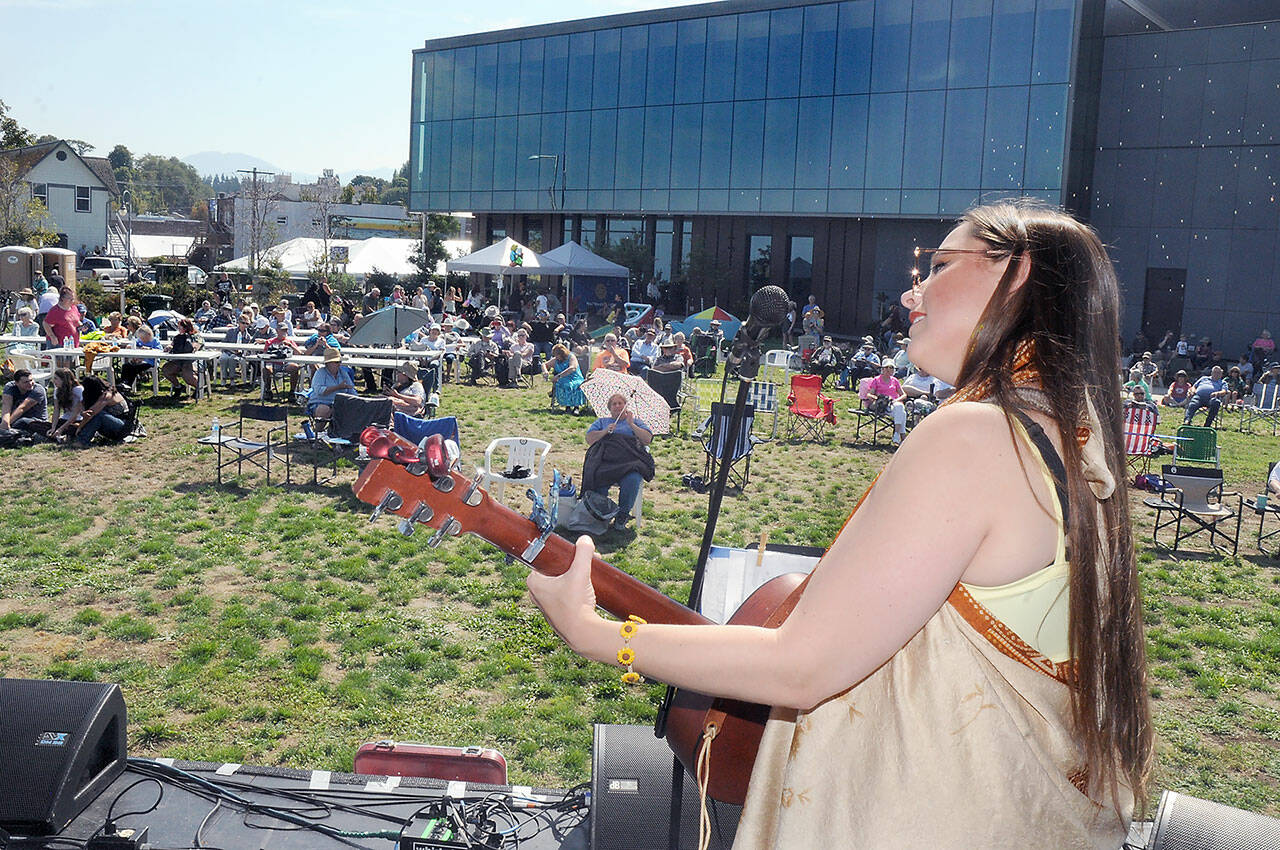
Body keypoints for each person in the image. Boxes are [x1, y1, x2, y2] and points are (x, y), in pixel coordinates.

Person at [527, 201, 1151, 848]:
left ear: (1016, 274)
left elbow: (803, 663)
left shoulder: (975, 434)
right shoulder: (1067, 433)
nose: (914, 290)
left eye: (938, 265)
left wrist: (594, 633)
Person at [583, 392, 654, 532]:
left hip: (629, 461)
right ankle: (599, 513)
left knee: (633, 479)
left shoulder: (635, 421)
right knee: (596, 475)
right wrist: (604, 432)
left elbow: (647, 439)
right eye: (614, 404)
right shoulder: (602, 422)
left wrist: (631, 425)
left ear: (625, 406)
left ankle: (622, 515)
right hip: (606, 461)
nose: (617, 406)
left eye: (620, 403)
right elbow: (590, 440)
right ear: (609, 408)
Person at [58, 372, 130, 447]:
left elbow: (91, 414)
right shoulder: (103, 393)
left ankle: (82, 441)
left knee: (99, 416)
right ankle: (74, 437)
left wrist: (80, 427)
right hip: (113, 423)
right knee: (92, 418)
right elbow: (83, 409)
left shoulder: (106, 396)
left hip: (122, 427)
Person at [306, 347, 357, 421]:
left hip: (339, 403)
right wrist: (338, 387)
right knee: (324, 410)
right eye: (336, 362)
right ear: (328, 363)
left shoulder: (343, 373)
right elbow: (320, 391)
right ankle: (318, 431)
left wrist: (358, 401)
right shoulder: (320, 373)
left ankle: (346, 431)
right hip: (320, 402)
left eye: (339, 362)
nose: (339, 364)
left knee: (356, 408)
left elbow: (351, 390)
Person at [866, 360, 909, 445]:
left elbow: (904, 395)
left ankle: (897, 434)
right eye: (887, 367)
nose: (889, 370)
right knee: (902, 412)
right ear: (883, 369)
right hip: (884, 405)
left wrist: (896, 400)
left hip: (894, 404)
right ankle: (901, 437)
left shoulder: (895, 380)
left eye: (892, 368)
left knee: (899, 408)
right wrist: (876, 398)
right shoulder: (876, 380)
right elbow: (869, 394)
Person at [161, 317, 202, 399]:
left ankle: (199, 388)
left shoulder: (196, 336)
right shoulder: (177, 337)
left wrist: (194, 346)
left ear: (186, 327)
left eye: (180, 327)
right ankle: (178, 387)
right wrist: (169, 347)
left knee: (187, 376)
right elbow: (172, 345)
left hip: (193, 361)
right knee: (166, 370)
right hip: (179, 360)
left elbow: (198, 345)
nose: (178, 328)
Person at [1, 369, 50, 436]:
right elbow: (6, 406)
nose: (30, 384)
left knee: (22, 421)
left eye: (31, 380)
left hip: (34, 421)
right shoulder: (10, 387)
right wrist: (5, 422)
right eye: (26, 382)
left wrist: (7, 424)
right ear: (17, 383)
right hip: (15, 419)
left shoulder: (38, 390)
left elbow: (22, 408)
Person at [261, 324, 303, 401]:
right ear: (277, 331)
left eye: (286, 330)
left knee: (295, 367)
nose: (285, 332)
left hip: (286, 363)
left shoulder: (290, 341)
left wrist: (290, 346)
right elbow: (265, 356)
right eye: (283, 330)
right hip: (273, 363)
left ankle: (292, 392)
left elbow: (299, 353)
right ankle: (268, 390)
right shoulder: (269, 341)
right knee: (266, 369)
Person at [118, 324, 162, 391]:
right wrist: (136, 347)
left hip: (150, 362)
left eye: (144, 338)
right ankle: (123, 382)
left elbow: (160, 351)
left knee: (134, 368)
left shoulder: (155, 341)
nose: (143, 340)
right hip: (138, 361)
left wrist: (149, 349)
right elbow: (130, 345)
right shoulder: (139, 340)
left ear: (149, 335)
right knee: (125, 366)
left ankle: (128, 385)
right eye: (141, 338)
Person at [546, 343, 586, 413]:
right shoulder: (556, 360)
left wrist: (558, 376)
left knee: (575, 385)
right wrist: (545, 372)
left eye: (557, 355)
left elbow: (572, 368)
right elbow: (544, 364)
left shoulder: (571, 357)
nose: (556, 357)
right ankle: (567, 406)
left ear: (562, 354)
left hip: (575, 377)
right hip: (563, 378)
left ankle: (576, 407)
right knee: (565, 384)